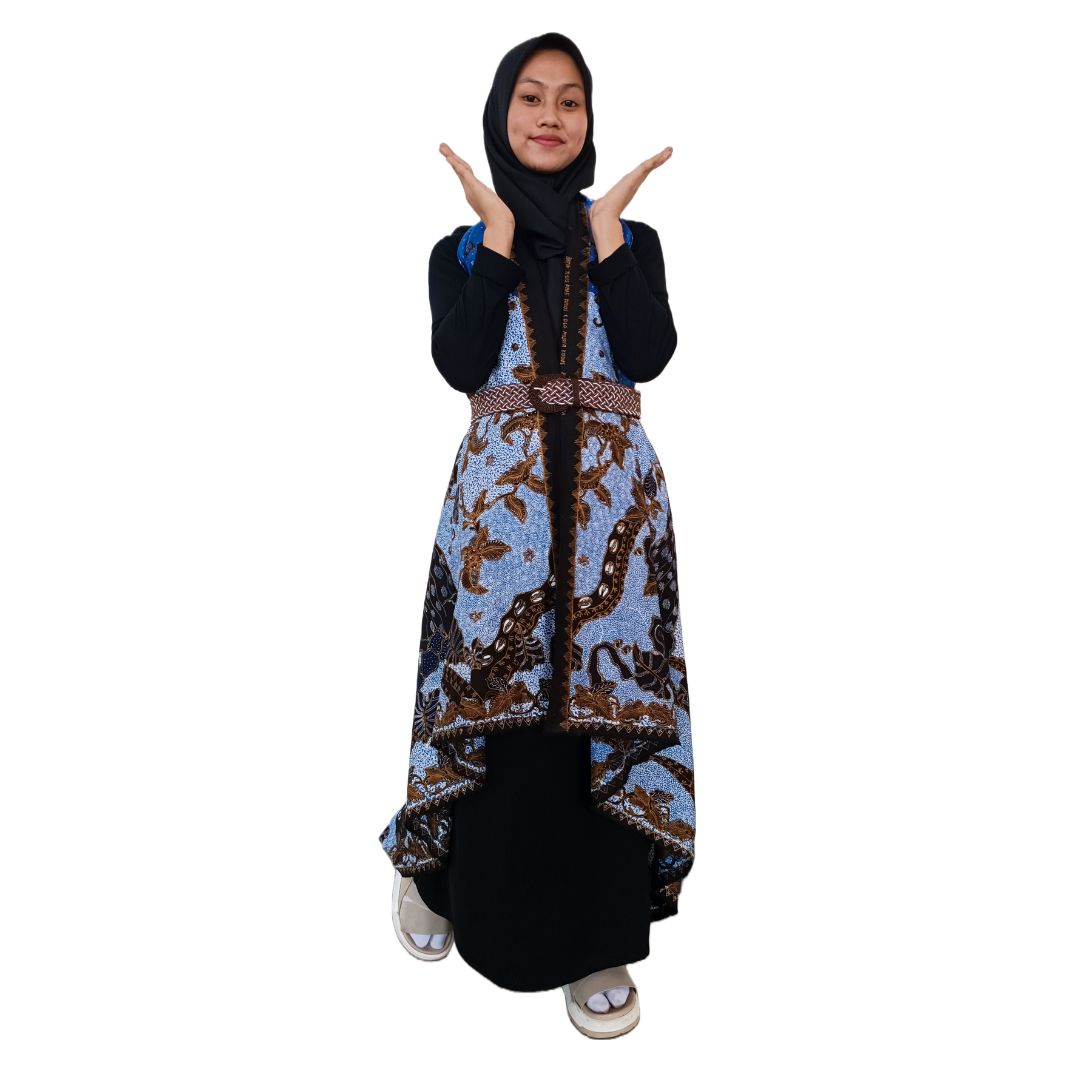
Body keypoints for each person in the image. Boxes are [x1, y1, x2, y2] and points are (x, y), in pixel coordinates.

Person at [379, 31, 696, 1040]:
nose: (550, 116)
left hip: (614, 515)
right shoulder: (462, 250)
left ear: (589, 120)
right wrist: (500, 238)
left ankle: (599, 937)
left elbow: (648, 351)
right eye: (531, 96)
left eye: (570, 99)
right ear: (500, 113)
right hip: (501, 516)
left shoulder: (631, 242)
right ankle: (443, 879)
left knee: (602, 708)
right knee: (489, 699)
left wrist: (607, 236)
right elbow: (461, 362)